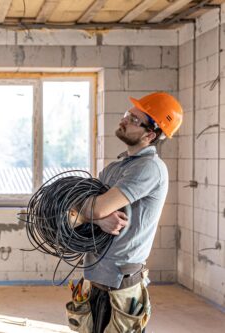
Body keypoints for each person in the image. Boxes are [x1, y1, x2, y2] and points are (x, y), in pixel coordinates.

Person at [75, 92, 183, 332]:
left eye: (134, 120)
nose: (124, 120)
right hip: (95, 276)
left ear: (150, 134)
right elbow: (81, 204)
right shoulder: (116, 167)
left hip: (120, 282)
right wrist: (99, 220)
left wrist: (93, 212)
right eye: (127, 114)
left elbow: (94, 206)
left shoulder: (149, 168)